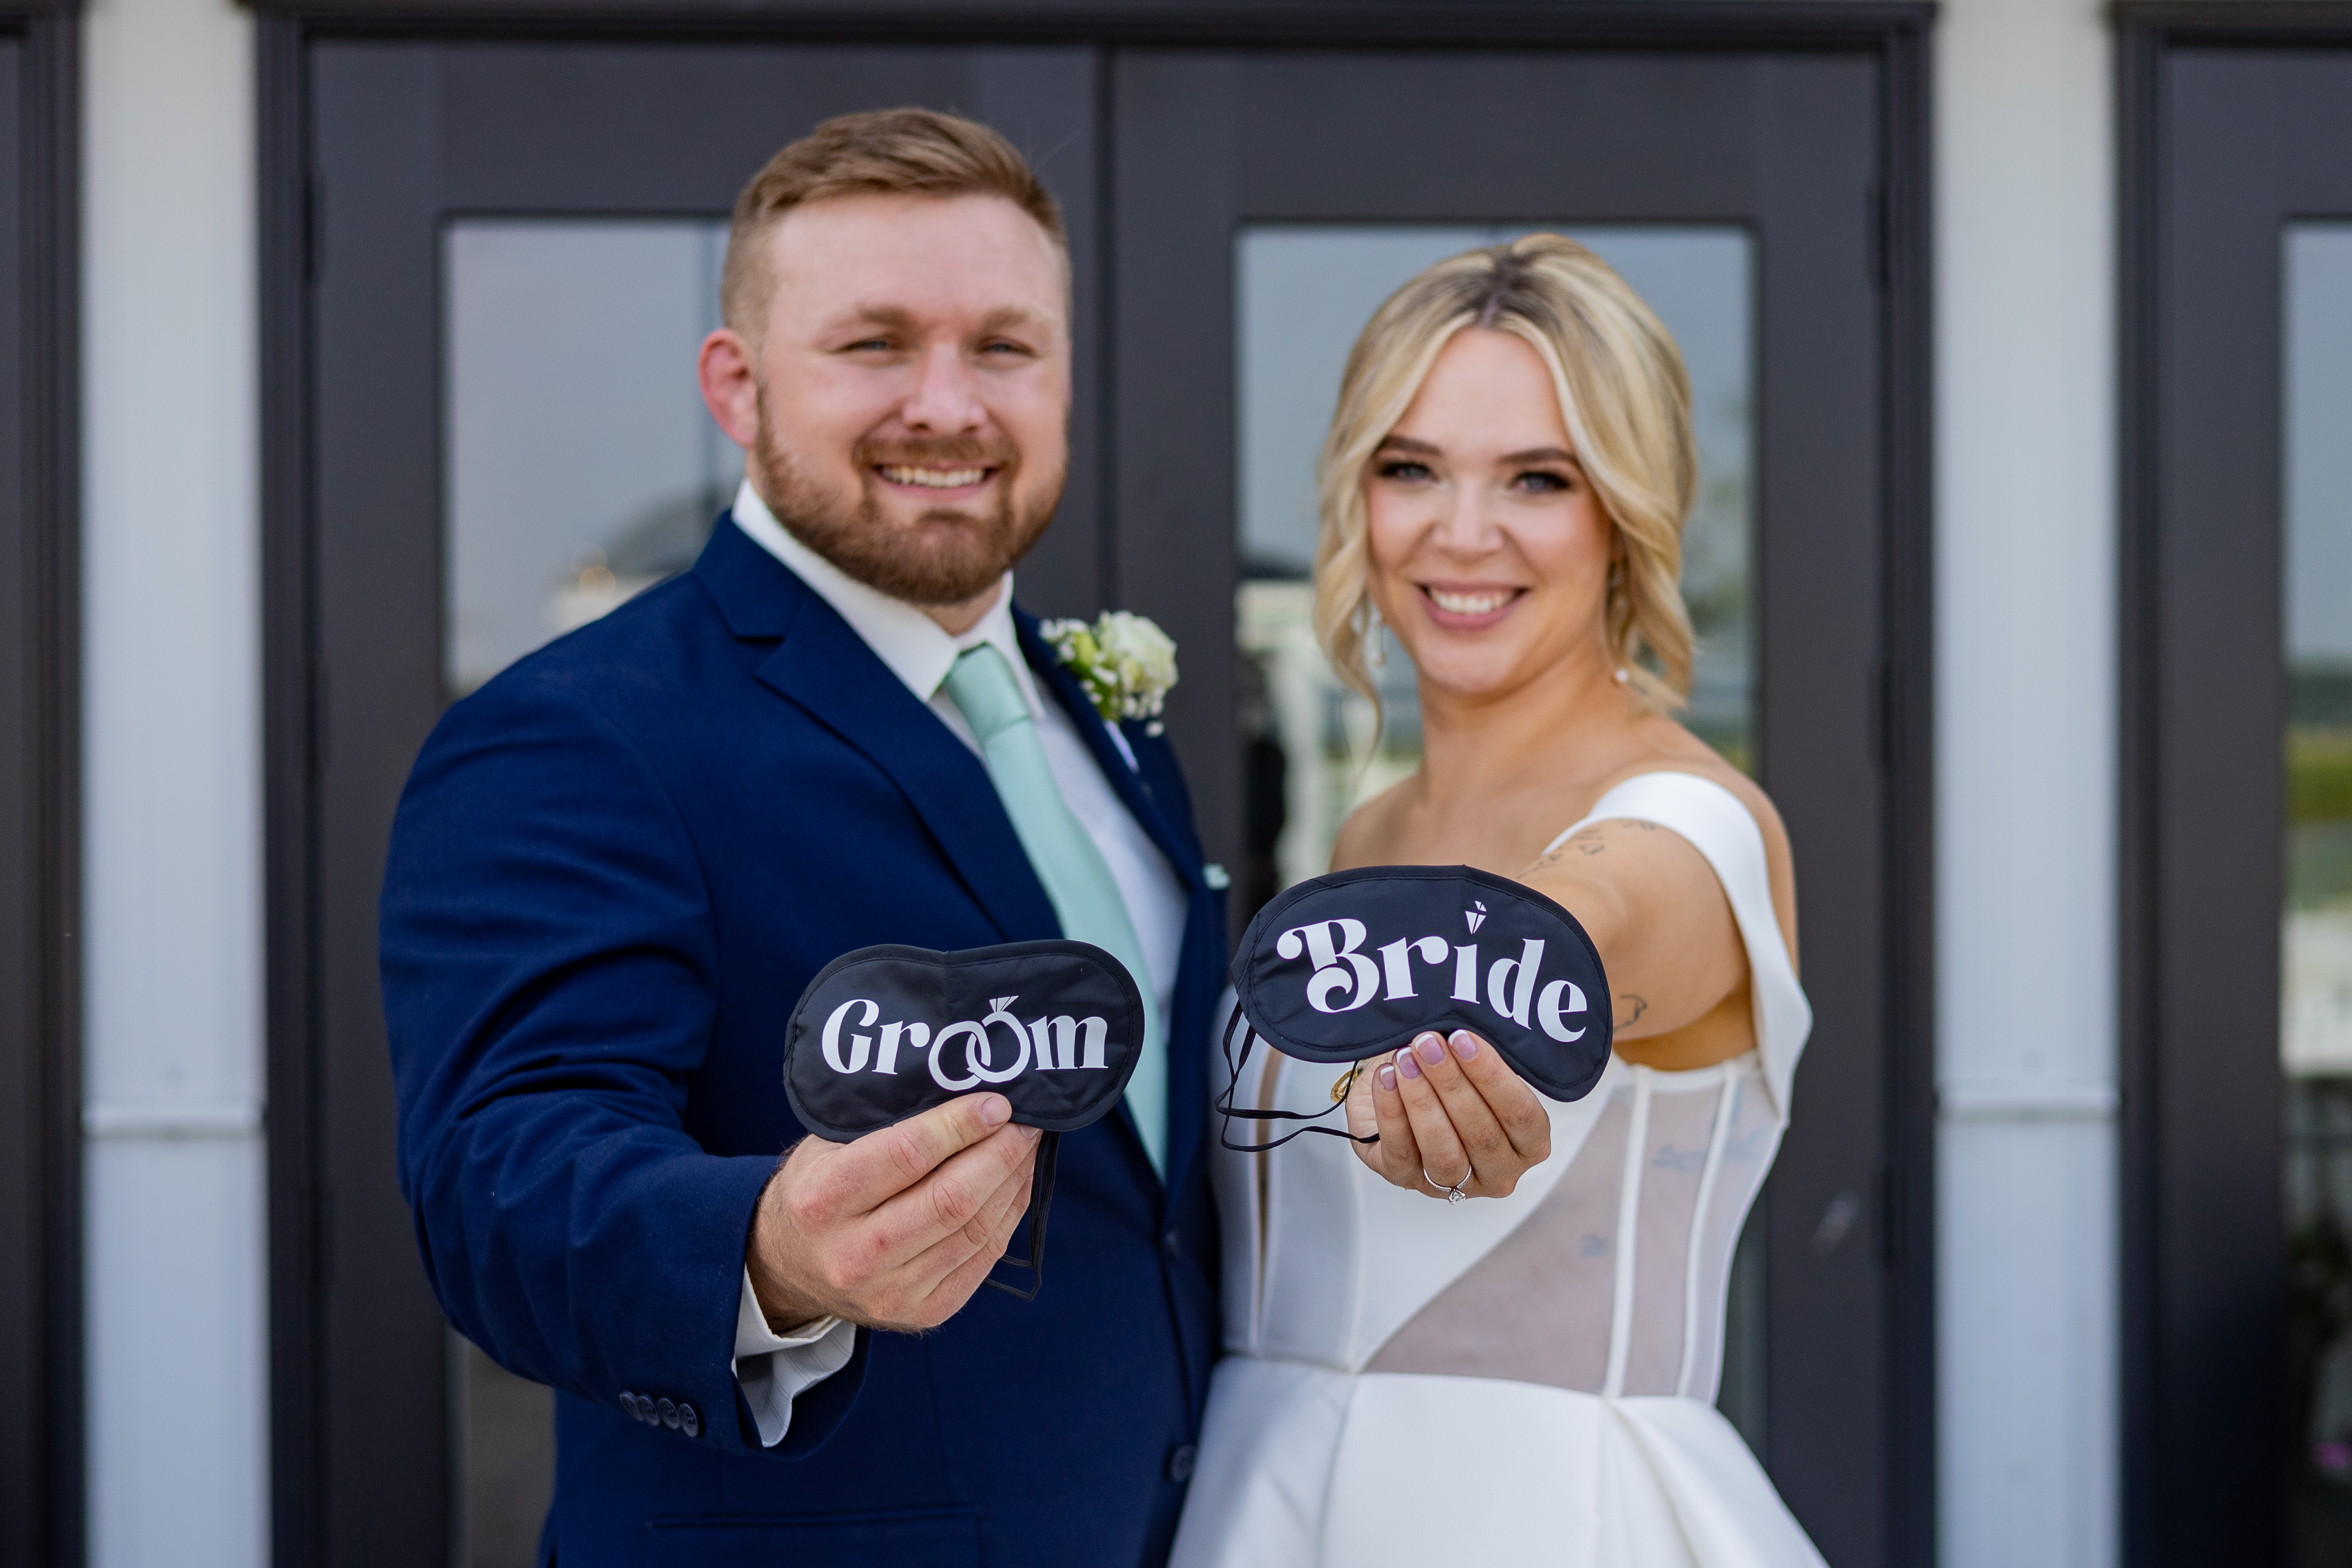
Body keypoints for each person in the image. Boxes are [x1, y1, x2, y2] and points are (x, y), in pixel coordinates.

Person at [380, 109, 1226, 1567]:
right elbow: (502, 1177)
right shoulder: (584, 730)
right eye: (875, 344)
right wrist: (768, 1248)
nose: (948, 405)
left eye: (1005, 348)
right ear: (737, 381)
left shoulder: (1111, 722)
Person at [1170, 235, 1827, 1567]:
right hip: (1265, 1499)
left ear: (1626, 511)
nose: (1460, 533)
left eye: (1538, 478)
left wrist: (1502, 1000)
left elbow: (1575, 929)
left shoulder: (1693, 827)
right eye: (1411, 468)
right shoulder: (1368, 836)